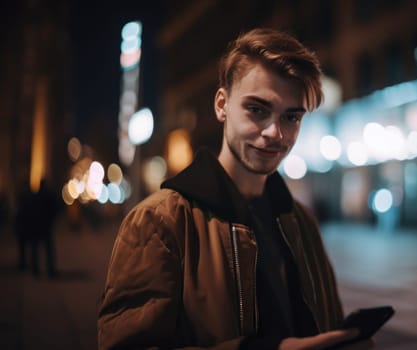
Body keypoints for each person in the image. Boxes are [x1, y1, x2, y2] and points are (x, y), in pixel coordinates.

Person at [98, 28, 373, 350]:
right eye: (257, 110)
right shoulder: (160, 222)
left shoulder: (301, 221)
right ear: (221, 105)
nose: (275, 133)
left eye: (291, 117)